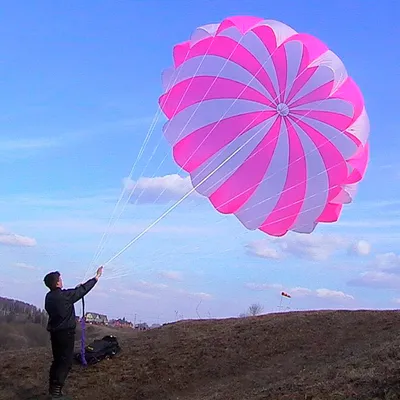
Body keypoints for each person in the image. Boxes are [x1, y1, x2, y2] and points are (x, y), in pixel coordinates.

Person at [43, 266, 103, 399]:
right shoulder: (64, 296)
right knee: (65, 362)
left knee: (58, 361)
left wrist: (76, 291)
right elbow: (82, 290)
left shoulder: (49, 297)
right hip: (65, 335)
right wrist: (96, 277)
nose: (61, 280)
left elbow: (73, 293)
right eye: (60, 279)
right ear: (57, 282)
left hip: (55, 334)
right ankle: (56, 394)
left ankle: (53, 390)